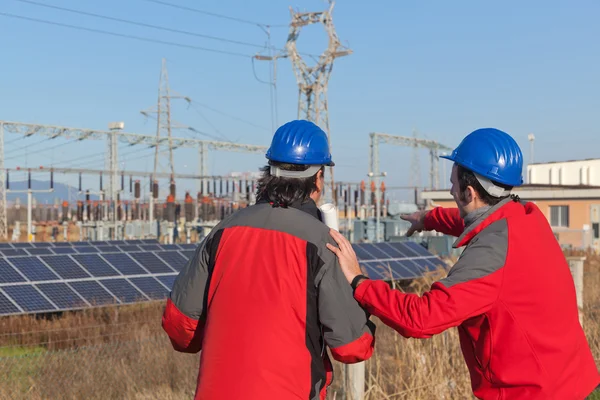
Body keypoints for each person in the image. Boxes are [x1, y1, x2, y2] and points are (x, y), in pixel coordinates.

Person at [327, 128, 600, 400]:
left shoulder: (488, 259)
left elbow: (421, 319)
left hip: (531, 393)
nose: (450, 190)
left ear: (468, 192)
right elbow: (477, 222)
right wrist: (429, 218)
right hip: (570, 379)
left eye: (453, 184)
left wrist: (359, 281)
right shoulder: (527, 216)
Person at [162, 119, 376, 400]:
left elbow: (180, 327)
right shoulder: (323, 242)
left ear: (269, 172)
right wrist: (362, 295)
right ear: (319, 177)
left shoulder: (223, 231)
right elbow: (352, 346)